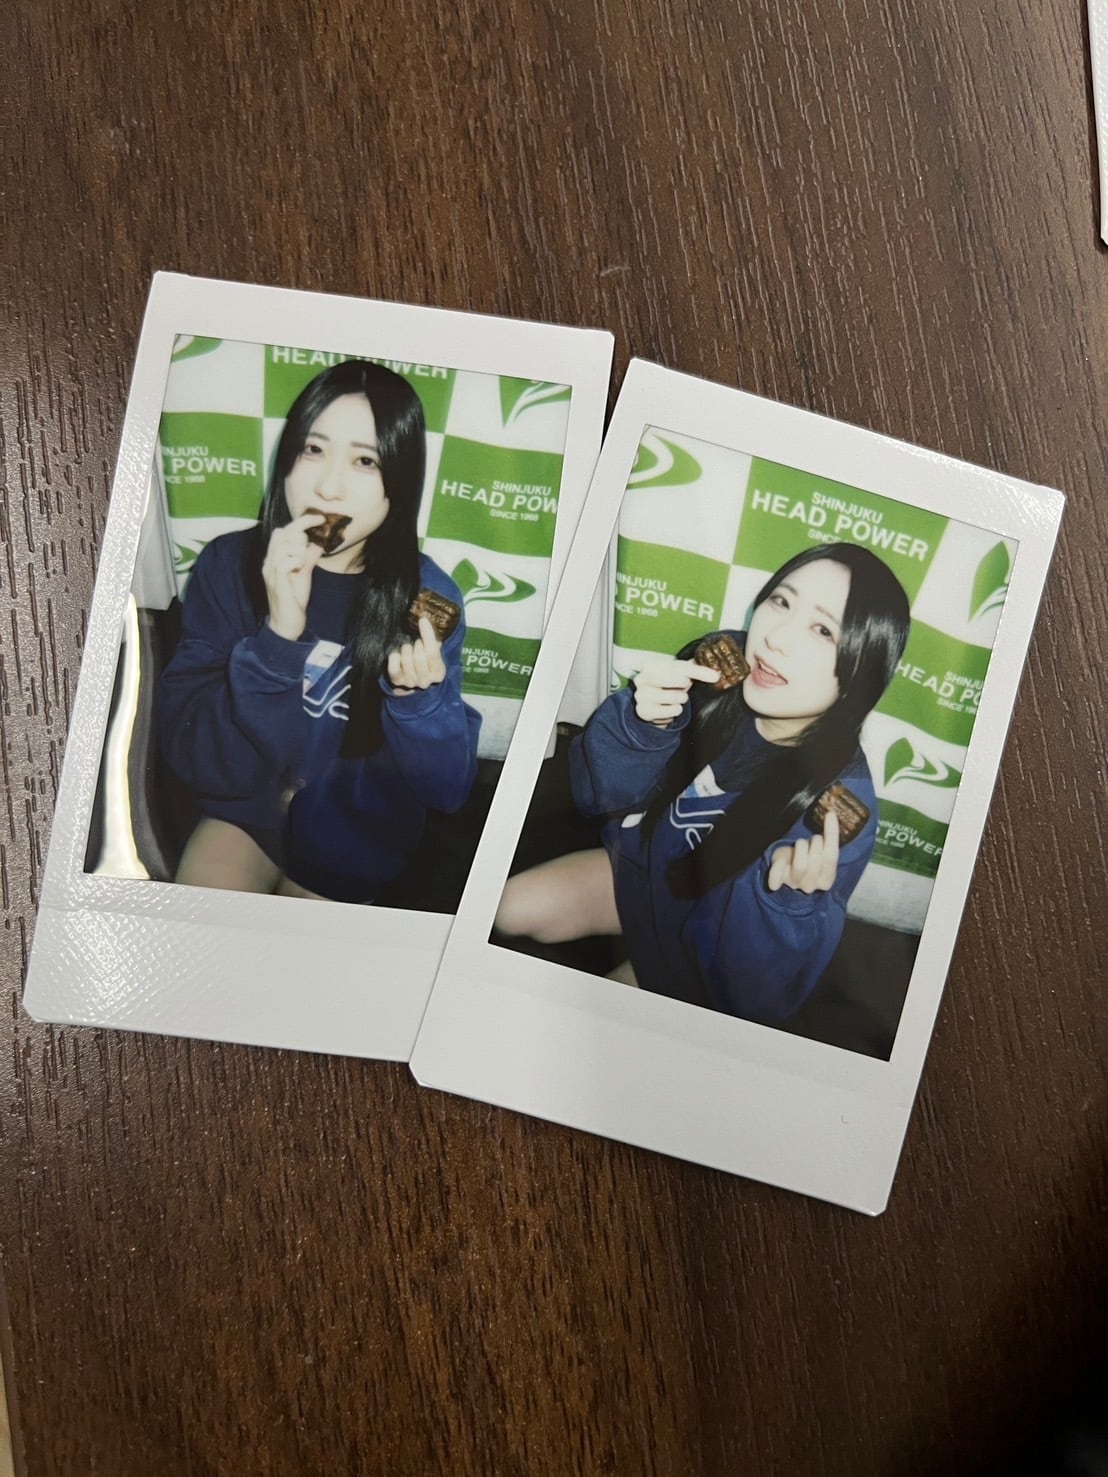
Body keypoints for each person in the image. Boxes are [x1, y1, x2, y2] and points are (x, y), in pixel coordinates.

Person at [495, 543, 910, 1024]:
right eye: (781, 601)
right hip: (640, 876)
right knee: (506, 908)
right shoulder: (714, 672)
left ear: (862, 670)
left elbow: (753, 999)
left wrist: (786, 907)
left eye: (822, 630)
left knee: (578, 1030)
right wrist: (641, 728)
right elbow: (595, 798)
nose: (776, 639)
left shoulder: (837, 811)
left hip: (706, 951)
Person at [159, 359, 481, 903]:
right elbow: (198, 760)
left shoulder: (427, 598)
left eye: (365, 461)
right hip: (245, 810)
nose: (328, 488)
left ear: (400, 483)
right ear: (287, 459)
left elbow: (446, 790)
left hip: (356, 835)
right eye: (313, 449)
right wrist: (277, 641)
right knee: (196, 932)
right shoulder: (229, 565)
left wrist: (419, 704)